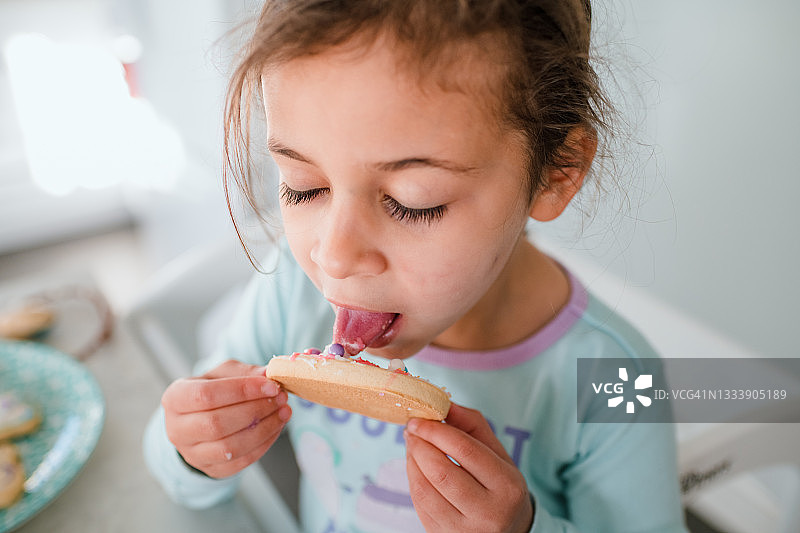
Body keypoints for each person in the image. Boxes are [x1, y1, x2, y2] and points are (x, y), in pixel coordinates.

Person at [144, 1, 688, 531]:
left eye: (413, 201)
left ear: (556, 171)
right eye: (303, 188)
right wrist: (193, 448)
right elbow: (183, 451)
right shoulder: (291, 286)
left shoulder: (616, 377)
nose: (334, 255)